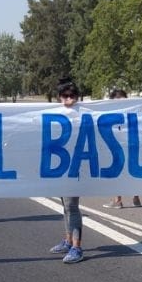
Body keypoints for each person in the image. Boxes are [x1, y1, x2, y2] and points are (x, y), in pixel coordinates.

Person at [47, 78, 85, 264]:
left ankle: (77, 247)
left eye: (72, 96)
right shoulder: (55, 114)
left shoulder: (84, 114)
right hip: (60, 166)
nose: (69, 99)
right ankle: (68, 240)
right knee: (65, 206)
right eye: (65, 96)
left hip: (76, 166)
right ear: (59, 98)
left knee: (72, 206)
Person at [103, 88, 141, 209]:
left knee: (118, 172)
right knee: (131, 171)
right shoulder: (131, 111)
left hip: (123, 145)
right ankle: (135, 198)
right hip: (128, 145)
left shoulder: (114, 113)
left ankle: (118, 200)